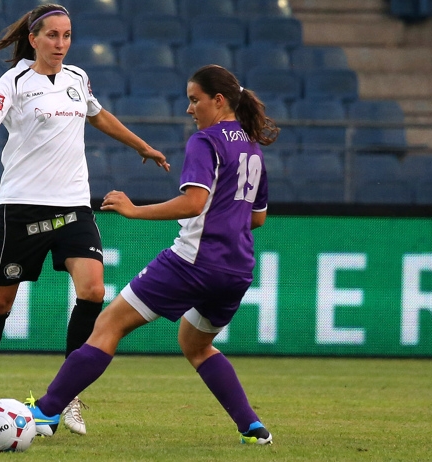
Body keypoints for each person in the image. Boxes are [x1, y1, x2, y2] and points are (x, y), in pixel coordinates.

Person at [24, 64, 279, 445]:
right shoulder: (251, 147)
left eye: (195, 100)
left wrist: (134, 209)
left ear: (219, 100)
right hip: (237, 269)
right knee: (196, 344)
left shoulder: (205, 142)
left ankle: (45, 412)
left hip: (195, 261)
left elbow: (194, 203)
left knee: (109, 325)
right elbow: (257, 217)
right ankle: (253, 428)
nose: (190, 109)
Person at [0, 3, 169, 437]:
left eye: (67, 36)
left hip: (72, 206)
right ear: (33, 39)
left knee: (93, 291)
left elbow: (97, 113)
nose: (61, 44)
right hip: (21, 207)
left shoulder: (77, 78)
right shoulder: (11, 82)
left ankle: (65, 398)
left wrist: (140, 146)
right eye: (53, 35)